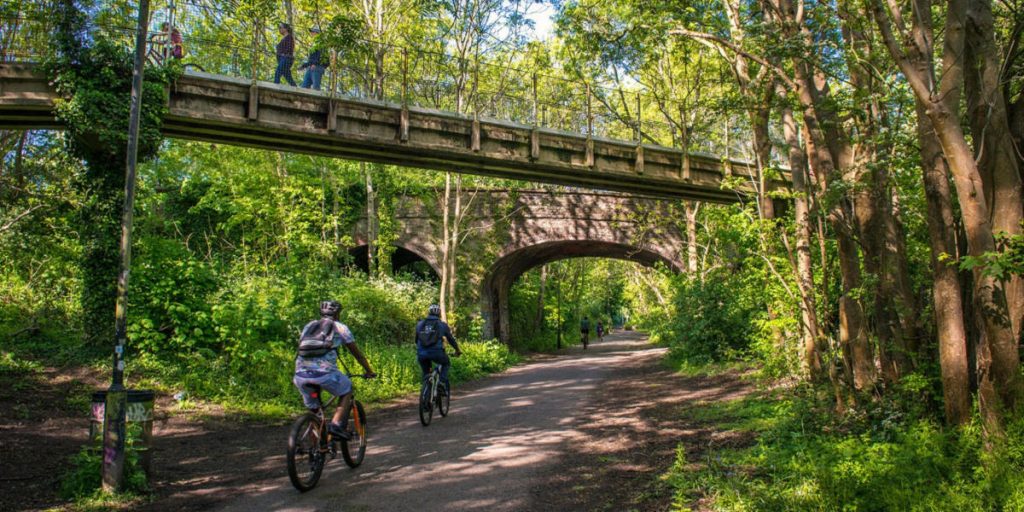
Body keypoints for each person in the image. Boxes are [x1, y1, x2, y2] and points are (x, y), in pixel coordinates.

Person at [293, 300, 375, 440]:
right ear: (337, 314)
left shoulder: (309, 326)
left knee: (315, 413)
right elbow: (357, 354)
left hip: (301, 374)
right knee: (347, 388)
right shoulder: (340, 328)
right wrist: (368, 370)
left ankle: (318, 451)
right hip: (325, 373)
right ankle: (336, 425)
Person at [415, 304, 461, 397]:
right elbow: (450, 339)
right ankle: (441, 382)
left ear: (429, 312)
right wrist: (457, 350)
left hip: (421, 353)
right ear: (439, 314)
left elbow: (416, 340)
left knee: (426, 374)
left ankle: (426, 398)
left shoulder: (420, 324)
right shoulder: (442, 325)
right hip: (437, 353)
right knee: (446, 363)